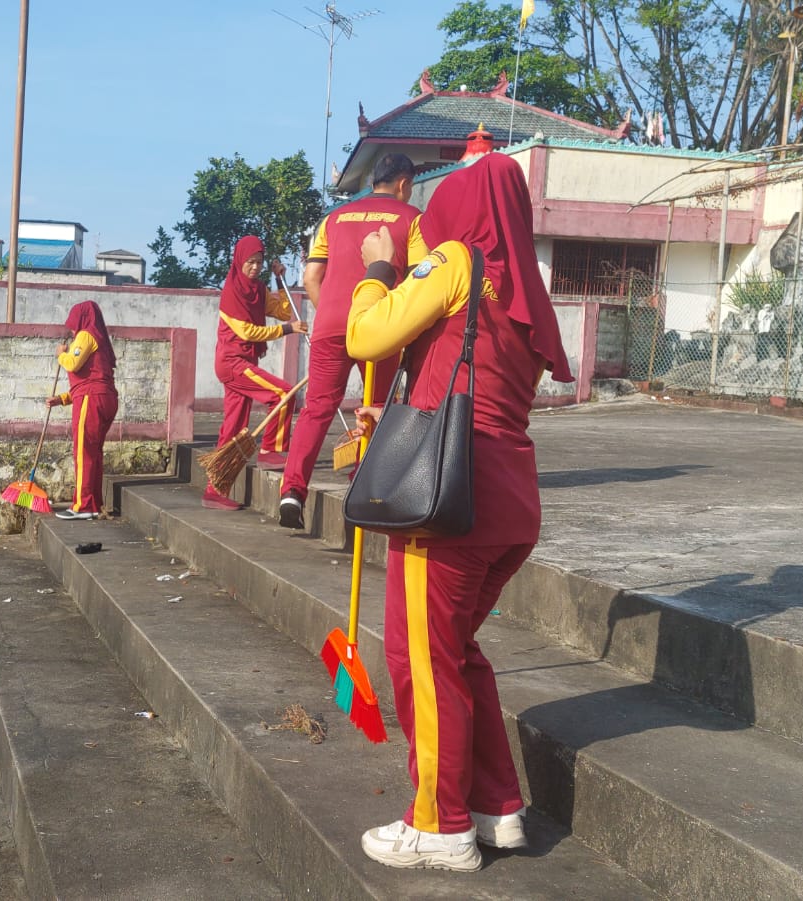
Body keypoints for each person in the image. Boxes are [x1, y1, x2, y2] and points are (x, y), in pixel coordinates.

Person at [343, 153, 574, 872]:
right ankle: (496, 806)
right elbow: (469, 376)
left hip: (446, 496)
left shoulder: (453, 262)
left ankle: (439, 824)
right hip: (508, 496)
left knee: (422, 659)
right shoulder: (525, 291)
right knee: (460, 651)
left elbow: (364, 336)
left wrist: (378, 268)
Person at [279, 153, 422, 530]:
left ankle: (292, 491)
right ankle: (363, 483)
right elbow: (419, 283)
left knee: (317, 409)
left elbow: (311, 277)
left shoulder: (333, 218)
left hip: (330, 323)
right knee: (377, 405)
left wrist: (331, 314)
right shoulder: (412, 220)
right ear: (404, 184)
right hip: (380, 324)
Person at [204, 235, 307, 511]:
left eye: (259, 263)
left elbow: (285, 311)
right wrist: (288, 330)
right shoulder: (232, 291)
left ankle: (215, 490)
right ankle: (270, 450)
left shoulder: (258, 290)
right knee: (283, 393)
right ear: (239, 261)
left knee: (235, 429)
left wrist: (279, 280)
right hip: (232, 362)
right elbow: (247, 331)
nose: (254, 267)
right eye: (250, 262)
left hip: (244, 361)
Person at [46, 300, 119, 521]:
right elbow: (91, 379)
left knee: (83, 452)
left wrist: (60, 353)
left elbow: (72, 364)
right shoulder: (100, 342)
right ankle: (94, 503)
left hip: (92, 399)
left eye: (73, 323)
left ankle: (83, 505)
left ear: (82, 318)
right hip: (102, 398)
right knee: (93, 452)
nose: (71, 329)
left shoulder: (86, 336)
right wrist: (62, 399)